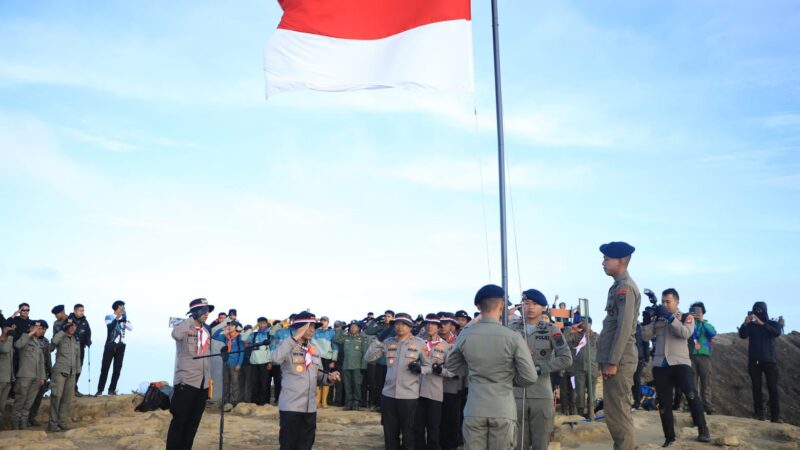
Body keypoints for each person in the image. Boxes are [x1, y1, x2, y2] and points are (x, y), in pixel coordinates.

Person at [446, 284, 538, 450]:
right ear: (502, 305)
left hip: (474, 407)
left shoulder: (466, 334)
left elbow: (452, 366)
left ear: (478, 306)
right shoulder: (513, 337)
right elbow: (530, 377)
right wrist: (508, 379)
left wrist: (473, 371)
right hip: (503, 408)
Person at [641, 288, 710, 446]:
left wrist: (670, 318)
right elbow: (646, 337)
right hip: (660, 365)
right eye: (663, 301)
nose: (665, 304)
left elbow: (685, 333)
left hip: (680, 364)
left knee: (691, 394)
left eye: (668, 301)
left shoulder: (686, 317)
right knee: (664, 403)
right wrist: (646, 322)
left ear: (677, 302)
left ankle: (702, 428)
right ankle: (669, 437)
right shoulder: (658, 318)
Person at [508, 289, 572, 450]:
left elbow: (566, 358)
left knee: (540, 442)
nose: (530, 307)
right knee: (517, 444)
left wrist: (540, 368)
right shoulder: (510, 329)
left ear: (543, 307)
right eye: (526, 303)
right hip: (515, 393)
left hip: (541, 393)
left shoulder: (552, 330)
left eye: (535, 304)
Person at [273, 311, 340, 450]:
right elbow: (275, 358)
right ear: (298, 327)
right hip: (291, 407)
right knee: (288, 446)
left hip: (310, 409)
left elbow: (319, 376)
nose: (311, 330)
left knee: (306, 446)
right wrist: (295, 337)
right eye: (308, 326)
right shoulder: (287, 346)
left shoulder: (314, 350)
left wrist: (329, 378)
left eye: (313, 327)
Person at [596, 241, 641, 450]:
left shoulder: (625, 288)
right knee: (614, 414)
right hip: (614, 359)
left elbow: (623, 328)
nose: (603, 263)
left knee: (619, 414)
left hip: (620, 360)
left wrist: (613, 360)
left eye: (607, 259)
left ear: (621, 261)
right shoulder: (617, 286)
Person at [366, 312, 429, 450]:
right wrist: (378, 339)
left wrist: (420, 369)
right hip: (389, 395)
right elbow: (369, 357)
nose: (400, 326)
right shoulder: (388, 343)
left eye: (404, 324)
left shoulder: (419, 343)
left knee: (409, 435)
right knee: (390, 435)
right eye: (397, 323)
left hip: (409, 397)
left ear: (410, 326)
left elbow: (429, 365)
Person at [166, 298, 214, 450]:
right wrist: (190, 322)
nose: (207, 314)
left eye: (208, 311)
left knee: (193, 423)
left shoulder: (206, 330)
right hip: (186, 382)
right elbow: (175, 334)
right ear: (195, 312)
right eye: (204, 311)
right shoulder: (184, 325)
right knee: (180, 421)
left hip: (203, 383)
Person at [415, 313, 455, 450]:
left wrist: (440, 371)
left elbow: (452, 372)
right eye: (427, 323)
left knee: (433, 427)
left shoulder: (446, 347)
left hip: (434, 392)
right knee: (417, 427)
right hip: (416, 391)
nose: (430, 326)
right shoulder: (418, 342)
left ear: (438, 327)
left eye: (433, 324)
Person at [738, 301, 782, 422]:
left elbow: (777, 333)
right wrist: (745, 323)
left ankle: (775, 416)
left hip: (770, 361)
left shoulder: (772, 323)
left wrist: (762, 324)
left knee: (772, 388)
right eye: (755, 311)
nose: (757, 313)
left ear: (764, 310)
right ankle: (759, 414)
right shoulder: (751, 326)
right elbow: (742, 335)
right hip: (754, 361)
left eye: (759, 310)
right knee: (756, 388)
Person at [48, 318, 81, 432]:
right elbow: (51, 346)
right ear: (66, 326)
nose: (72, 328)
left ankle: (62, 422)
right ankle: (52, 424)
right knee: (56, 397)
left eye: (74, 326)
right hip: (60, 372)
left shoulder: (76, 339)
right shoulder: (60, 337)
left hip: (72, 373)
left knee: (66, 399)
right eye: (70, 326)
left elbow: (78, 356)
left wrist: (77, 371)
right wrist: (62, 331)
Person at [12, 320, 45, 430]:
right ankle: (15, 424)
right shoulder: (25, 338)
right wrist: (30, 333)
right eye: (36, 328)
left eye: (40, 329)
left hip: (36, 376)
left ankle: (23, 423)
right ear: (30, 328)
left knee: (29, 401)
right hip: (25, 375)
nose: (39, 330)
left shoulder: (39, 343)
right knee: (20, 400)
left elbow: (41, 362)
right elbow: (18, 345)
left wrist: (42, 377)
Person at [96, 300, 132, 396]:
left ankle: (112, 390)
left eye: (124, 307)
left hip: (121, 345)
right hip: (110, 344)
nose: (123, 309)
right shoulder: (109, 317)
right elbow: (110, 327)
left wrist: (124, 319)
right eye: (121, 307)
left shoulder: (124, 318)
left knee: (117, 369)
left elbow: (131, 328)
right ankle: (100, 390)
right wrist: (117, 318)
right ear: (116, 308)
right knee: (105, 368)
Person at [333, 319, 369, 410]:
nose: (352, 328)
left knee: (356, 385)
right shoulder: (346, 337)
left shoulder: (362, 339)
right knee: (347, 385)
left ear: (359, 328)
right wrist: (341, 329)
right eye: (351, 327)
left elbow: (365, 353)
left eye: (355, 327)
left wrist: (363, 366)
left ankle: (356, 402)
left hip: (357, 366)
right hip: (346, 365)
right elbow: (336, 339)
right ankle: (348, 402)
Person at [689, 301, 716, 414]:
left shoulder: (707, 325)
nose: (698, 313)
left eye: (699, 311)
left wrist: (702, 322)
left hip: (704, 356)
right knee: (692, 383)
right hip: (691, 356)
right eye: (695, 311)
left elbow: (713, 333)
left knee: (706, 383)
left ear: (703, 312)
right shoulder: (689, 324)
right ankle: (694, 406)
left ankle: (707, 406)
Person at [365, 310, 395, 411]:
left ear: (393, 318)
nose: (387, 318)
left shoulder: (395, 329)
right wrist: (375, 321)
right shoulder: (380, 327)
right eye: (386, 316)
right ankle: (378, 405)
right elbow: (367, 331)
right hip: (379, 360)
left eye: (389, 316)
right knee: (378, 384)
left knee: (389, 384)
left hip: (391, 362)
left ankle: (387, 406)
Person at [212, 319, 245, 407]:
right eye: (229, 325)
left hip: (234, 363)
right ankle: (225, 401)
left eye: (232, 325)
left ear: (236, 327)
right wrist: (222, 329)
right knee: (225, 382)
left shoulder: (239, 338)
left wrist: (239, 364)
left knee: (234, 383)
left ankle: (233, 402)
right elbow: (214, 336)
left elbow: (242, 352)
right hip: (226, 362)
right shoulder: (226, 337)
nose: (230, 327)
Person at [27, 321, 52, 427]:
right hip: (31, 372)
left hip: (43, 373)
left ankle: (32, 417)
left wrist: (50, 372)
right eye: (42, 329)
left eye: (45, 330)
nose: (43, 331)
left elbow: (48, 358)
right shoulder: (31, 339)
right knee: (29, 397)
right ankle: (25, 417)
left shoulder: (46, 341)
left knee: (38, 397)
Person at [573, 317, 598, 418]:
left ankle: (591, 413)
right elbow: (565, 338)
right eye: (582, 323)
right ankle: (580, 414)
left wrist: (600, 368)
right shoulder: (576, 336)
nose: (584, 325)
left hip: (593, 367)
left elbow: (602, 351)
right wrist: (574, 328)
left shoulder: (596, 336)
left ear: (590, 324)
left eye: (586, 323)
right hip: (579, 368)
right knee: (579, 392)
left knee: (592, 392)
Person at [312, 316, 338, 409]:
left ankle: (324, 401)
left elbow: (335, 347)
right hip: (316, 358)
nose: (323, 322)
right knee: (317, 379)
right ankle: (317, 401)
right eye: (322, 321)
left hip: (327, 358)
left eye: (325, 321)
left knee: (327, 378)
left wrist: (333, 360)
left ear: (328, 322)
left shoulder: (331, 332)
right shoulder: (315, 332)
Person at [245, 317, 272, 406]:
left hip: (265, 362)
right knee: (254, 383)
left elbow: (273, 348)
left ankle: (264, 403)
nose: (261, 325)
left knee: (264, 383)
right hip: (254, 362)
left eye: (264, 323)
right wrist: (253, 328)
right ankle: (254, 403)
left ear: (266, 324)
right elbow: (243, 337)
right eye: (259, 323)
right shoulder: (254, 335)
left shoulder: (270, 334)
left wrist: (270, 362)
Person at [69, 304, 92, 397]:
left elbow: (88, 333)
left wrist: (88, 340)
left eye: (83, 310)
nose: (82, 312)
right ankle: (69, 389)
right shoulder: (69, 320)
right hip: (69, 349)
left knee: (79, 368)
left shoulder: (85, 321)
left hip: (81, 349)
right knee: (70, 369)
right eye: (80, 310)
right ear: (75, 311)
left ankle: (74, 388)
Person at [0, 319, 16, 426]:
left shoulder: (9, 343)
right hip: (0, 378)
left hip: (8, 378)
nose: (11, 330)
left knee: (2, 405)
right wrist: (10, 336)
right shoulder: (2, 341)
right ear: (5, 329)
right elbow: (5, 349)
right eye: (10, 328)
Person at [631, 322, 650, 409]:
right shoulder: (627, 325)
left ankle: (637, 402)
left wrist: (646, 358)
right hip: (629, 358)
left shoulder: (641, 328)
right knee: (631, 380)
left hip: (639, 358)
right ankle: (638, 397)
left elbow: (646, 343)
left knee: (636, 379)